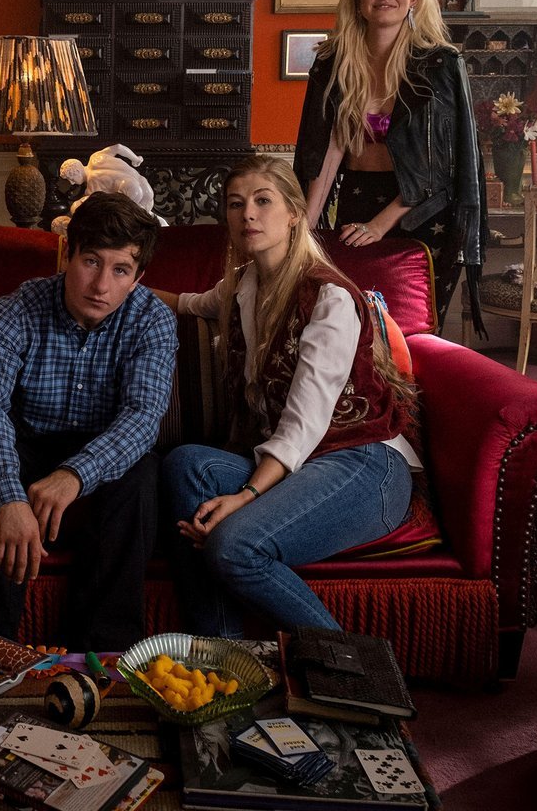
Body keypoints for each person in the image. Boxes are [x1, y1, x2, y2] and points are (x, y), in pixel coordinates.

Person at [156, 156, 420, 635]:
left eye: (263, 201)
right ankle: (223, 658)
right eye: (235, 204)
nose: (247, 214)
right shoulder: (244, 284)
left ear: (295, 212)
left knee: (232, 545)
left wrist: (247, 496)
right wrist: (116, 286)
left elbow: (303, 423)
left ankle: (355, 671)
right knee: (186, 463)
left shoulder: (328, 298)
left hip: (361, 464)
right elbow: (190, 304)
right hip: (300, 468)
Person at [0, 192, 178, 651]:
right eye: (91, 261)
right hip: (29, 443)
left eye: (120, 270)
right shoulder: (16, 310)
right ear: (66, 255)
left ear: (138, 278)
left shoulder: (152, 320)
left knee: (143, 475)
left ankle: (106, 652)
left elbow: (142, 418)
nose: (101, 285)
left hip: (105, 454)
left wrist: (74, 475)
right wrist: (8, 499)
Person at [293, 0, 488, 326]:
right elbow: (327, 150)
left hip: (424, 211)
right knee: (352, 322)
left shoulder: (441, 64)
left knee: (409, 325)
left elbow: (442, 165)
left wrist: (380, 225)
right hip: (358, 196)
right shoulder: (333, 61)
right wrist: (306, 230)